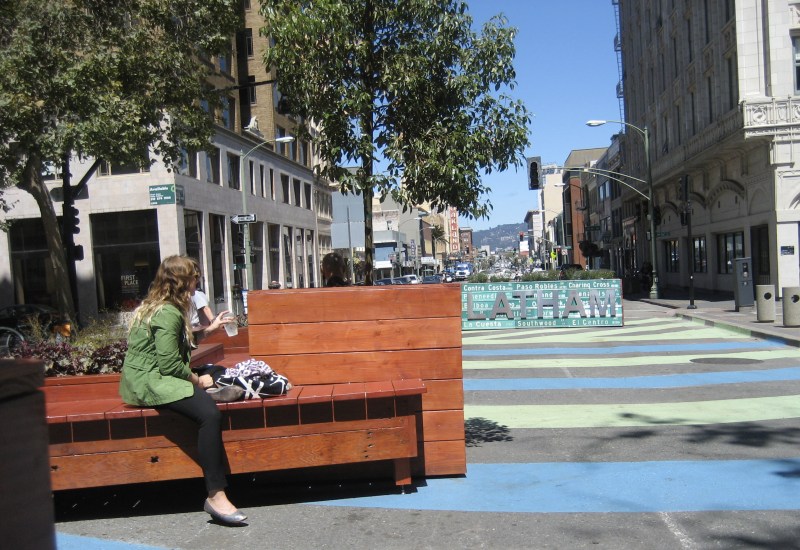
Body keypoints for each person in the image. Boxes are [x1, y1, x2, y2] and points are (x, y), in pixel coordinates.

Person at [119, 255, 246, 525]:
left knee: (220, 373)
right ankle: (216, 494)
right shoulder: (168, 312)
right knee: (209, 415)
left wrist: (209, 330)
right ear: (182, 282)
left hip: (151, 376)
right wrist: (197, 382)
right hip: (151, 381)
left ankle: (210, 389)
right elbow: (169, 364)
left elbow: (176, 345)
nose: (196, 281)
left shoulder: (160, 307)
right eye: (194, 277)